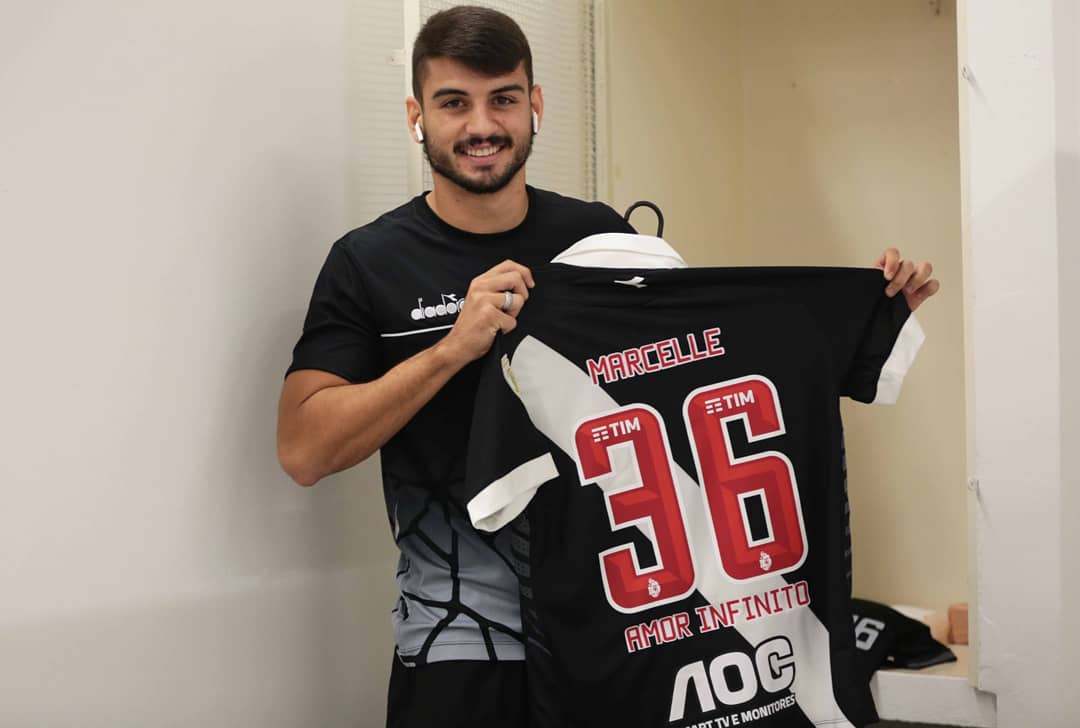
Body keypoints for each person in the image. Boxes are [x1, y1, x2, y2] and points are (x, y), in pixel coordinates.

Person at [276, 5, 940, 727]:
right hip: (462, 640)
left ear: (535, 104)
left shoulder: (596, 237)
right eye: (454, 103)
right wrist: (452, 349)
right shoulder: (368, 262)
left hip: (618, 633)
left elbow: (700, 368)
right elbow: (304, 450)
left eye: (503, 99)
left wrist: (864, 307)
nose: (482, 125)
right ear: (417, 116)